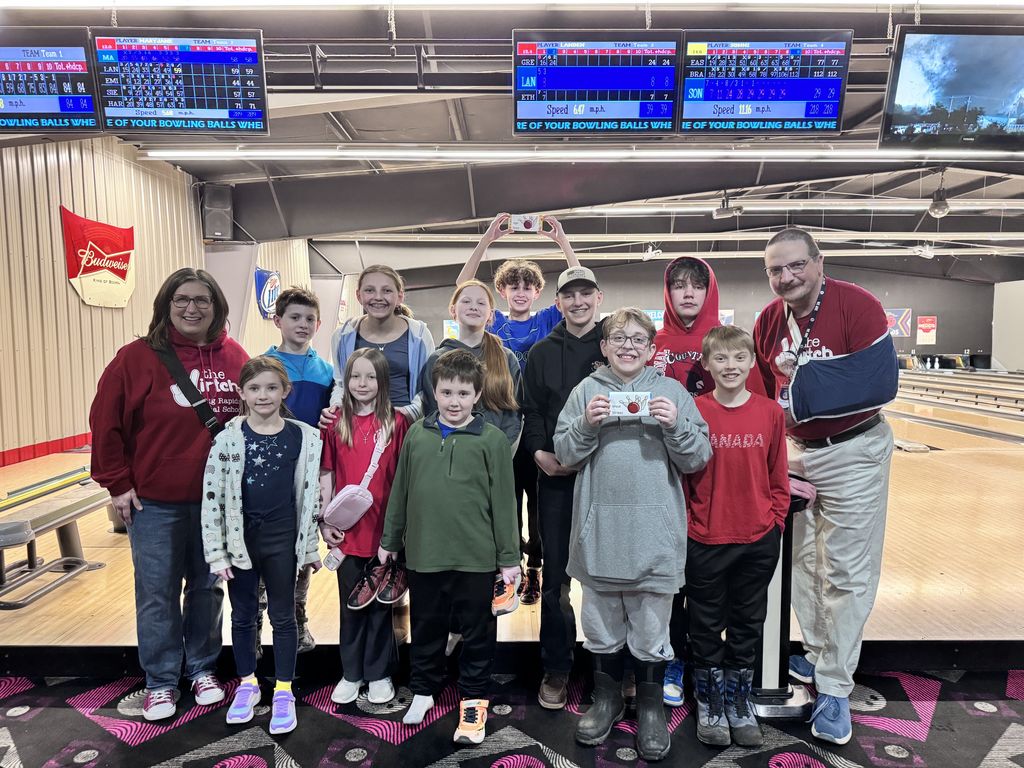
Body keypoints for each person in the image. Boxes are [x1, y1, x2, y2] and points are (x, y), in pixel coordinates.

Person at [753, 227, 896, 745]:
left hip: (855, 449)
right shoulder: (769, 321)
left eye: (795, 265)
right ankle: (817, 656)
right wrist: (773, 455)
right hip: (800, 455)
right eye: (775, 270)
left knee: (847, 570)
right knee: (804, 564)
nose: (786, 277)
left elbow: (880, 382)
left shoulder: (858, 306)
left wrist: (807, 387)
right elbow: (767, 396)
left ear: (818, 262)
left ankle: (835, 688)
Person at [90, 268, 248, 721]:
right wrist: (117, 483)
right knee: (157, 592)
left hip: (215, 502)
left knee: (207, 589)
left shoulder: (234, 356)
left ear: (217, 307)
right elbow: (106, 422)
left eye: (202, 300)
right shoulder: (136, 359)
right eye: (182, 300)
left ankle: (201, 669)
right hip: (155, 502)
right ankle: (160, 681)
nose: (192, 308)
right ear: (166, 304)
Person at [554, 307, 711, 762]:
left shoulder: (672, 393)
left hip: (655, 540)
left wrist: (675, 425)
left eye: (638, 339)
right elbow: (564, 452)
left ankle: (649, 708)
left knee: (650, 631)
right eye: (618, 338)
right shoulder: (586, 391)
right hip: (600, 534)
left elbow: (697, 456)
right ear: (603, 347)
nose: (627, 345)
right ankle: (605, 701)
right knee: (600, 628)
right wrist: (586, 423)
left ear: (651, 348)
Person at [378, 350, 519, 746]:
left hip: (476, 559)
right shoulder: (417, 436)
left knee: (477, 633)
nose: (454, 401)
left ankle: (473, 699)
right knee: (426, 627)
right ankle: (423, 688)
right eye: (446, 392)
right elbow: (401, 491)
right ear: (433, 392)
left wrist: (509, 559)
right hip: (424, 555)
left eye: (463, 393)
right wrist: (390, 539)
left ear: (477, 395)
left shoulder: (492, 441)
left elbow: (505, 504)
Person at [651, 255, 765, 707]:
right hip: (668, 479)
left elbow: (758, 410)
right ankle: (676, 657)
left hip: (722, 480)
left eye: (696, 285)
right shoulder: (654, 343)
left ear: (708, 289)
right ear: (668, 291)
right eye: (678, 285)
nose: (687, 292)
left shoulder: (728, 343)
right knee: (672, 579)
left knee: (716, 586)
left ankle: (716, 666)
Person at [457, 212, 582, 606]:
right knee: (506, 503)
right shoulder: (494, 326)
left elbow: (580, 284)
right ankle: (506, 568)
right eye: (514, 285)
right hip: (505, 426)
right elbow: (464, 288)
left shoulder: (548, 319)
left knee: (540, 504)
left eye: (529, 285)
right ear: (503, 290)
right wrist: (486, 242)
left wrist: (562, 242)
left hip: (540, 425)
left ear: (538, 291)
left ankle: (535, 569)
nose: (522, 291)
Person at [200, 356, 323, 735]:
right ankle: (248, 683)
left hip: (283, 540)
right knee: (243, 615)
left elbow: (309, 498)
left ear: (285, 391)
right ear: (242, 393)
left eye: (272, 387)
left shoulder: (303, 437)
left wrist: (309, 549)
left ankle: (284, 688)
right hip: (241, 542)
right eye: (254, 388)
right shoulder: (228, 439)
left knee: (284, 616)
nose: (263, 395)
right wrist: (216, 552)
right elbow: (212, 498)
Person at [684, 325, 789, 748]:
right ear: (707, 364)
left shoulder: (770, 413)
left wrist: (775, 522)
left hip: (757, 536)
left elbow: (777, 475)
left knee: (748, 623)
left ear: (751, 363)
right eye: (721, 359)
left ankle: (738, 700)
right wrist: (692, 523)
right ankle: (710, 701)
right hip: (706, 537)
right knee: (705, 624)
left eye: (739, 358)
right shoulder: (695, 409)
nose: (731, 366)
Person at [521, 265, 606, 711]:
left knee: (607, 579)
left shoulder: (615, 346)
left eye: (585, 294)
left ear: (598, 297)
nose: (577, 302)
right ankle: (556, 667)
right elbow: (531, 411)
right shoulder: (540, 352)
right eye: (568, 295)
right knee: (555, 579)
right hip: (554, 480)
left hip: (607, 480)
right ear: (558, 303)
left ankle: (610, 670)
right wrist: (538, 452)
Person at [319, 348, 410, 707]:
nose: (362, 383)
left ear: (383, 381)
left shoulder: (396, 423)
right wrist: (325, 521)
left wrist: (398, 532)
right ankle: (351, 672)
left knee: (379, 608)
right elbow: (326, 473)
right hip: (346, 534)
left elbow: (402, 479)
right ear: (346, 380)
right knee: (350, 605)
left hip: (384, 533)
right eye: (356, 376)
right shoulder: (336, 421)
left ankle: (379, 673)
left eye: (371, 377)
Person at [262, 286, 334, 654]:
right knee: (265, 551)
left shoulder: (326, 371)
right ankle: (258, 623)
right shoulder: (264, 366)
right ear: (278, 321)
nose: (303, 324)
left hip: (309, 474)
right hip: (269, 475)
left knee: (303, 551)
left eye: (309, 319)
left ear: (318, 324)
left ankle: (298, 620)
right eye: (294, 317)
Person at [327, 264, 435, 421]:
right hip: (358, 428)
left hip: (404, 427)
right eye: (369, 290)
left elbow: (429, 387)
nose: (378, 297)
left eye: (387, 290)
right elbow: (340, 384)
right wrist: (335, 409)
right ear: (358, 296)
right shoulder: (342, 336)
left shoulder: (419, 336)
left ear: (400, 296)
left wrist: (407, 413)